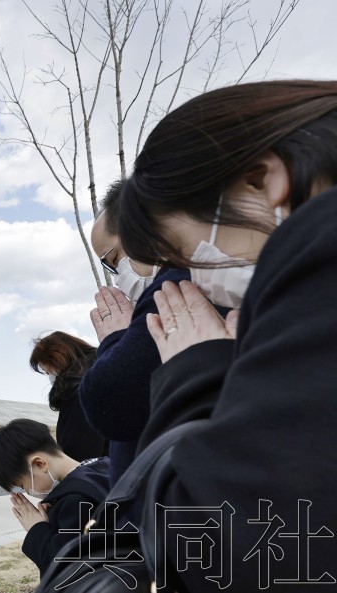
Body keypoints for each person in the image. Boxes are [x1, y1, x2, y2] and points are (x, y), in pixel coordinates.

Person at [116, 80, 337, 591]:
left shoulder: (320, 249)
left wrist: (194, 372)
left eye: (184, 252)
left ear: (261, 180)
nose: (195, 276)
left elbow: (228, 547)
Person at [78, 181, 224, 485]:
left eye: (114, 260)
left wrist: (115, 338)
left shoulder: (177, 287)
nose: (118, 277)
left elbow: (111, 403)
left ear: (140, 226)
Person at [0, 418, 110, 576]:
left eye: (23, 485)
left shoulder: (75, 500)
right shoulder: (102, 468)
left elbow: (64, 570)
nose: (28, 492)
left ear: (40, 464)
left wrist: (37, 529)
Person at [29, 331, 105, 461]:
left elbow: (79, 451)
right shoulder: (103, 371)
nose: (50, 377)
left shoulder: (75, 391)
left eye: (48, 372)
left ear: (56, 359)